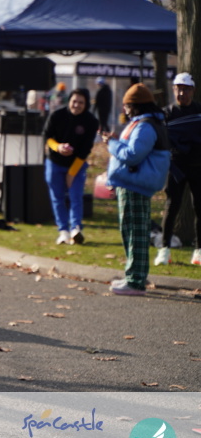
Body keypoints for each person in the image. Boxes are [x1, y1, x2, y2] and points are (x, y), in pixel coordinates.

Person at [101, 83, 171, 296]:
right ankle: (134, 274)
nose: (125, 109)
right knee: (131, 231)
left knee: (136, 233)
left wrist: (112, 144)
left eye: (127, 105)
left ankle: (135, 281)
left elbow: (132, 155)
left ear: (136, 105)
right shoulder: (143, 123)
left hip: (135, 186)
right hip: (130, 184)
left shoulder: (145, 127)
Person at [156, 72, 201, 266]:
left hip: (198, 167)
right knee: (172, 206)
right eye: (178, 89)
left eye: (186, 89)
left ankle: (198, 251)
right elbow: (162, 140)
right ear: (173, 89)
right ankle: (164, 250)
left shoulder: (199, 111)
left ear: (193, 90)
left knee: (199, 208)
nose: (182, 93)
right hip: (175, 167)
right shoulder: (166, 113)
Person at [43, 88, 98, 245]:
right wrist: (58, 147)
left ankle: (76, 229)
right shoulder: (57, 115)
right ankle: (63, 231)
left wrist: (72, 172)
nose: (77, 105)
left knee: (76, 196)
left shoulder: (91, 121)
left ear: (86, 104)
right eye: (74, 101)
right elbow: (47, 136)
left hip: (77, 165)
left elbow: (85, 149)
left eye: (81, 102)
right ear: (69, 101)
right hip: (54, 163)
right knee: (57, 198)